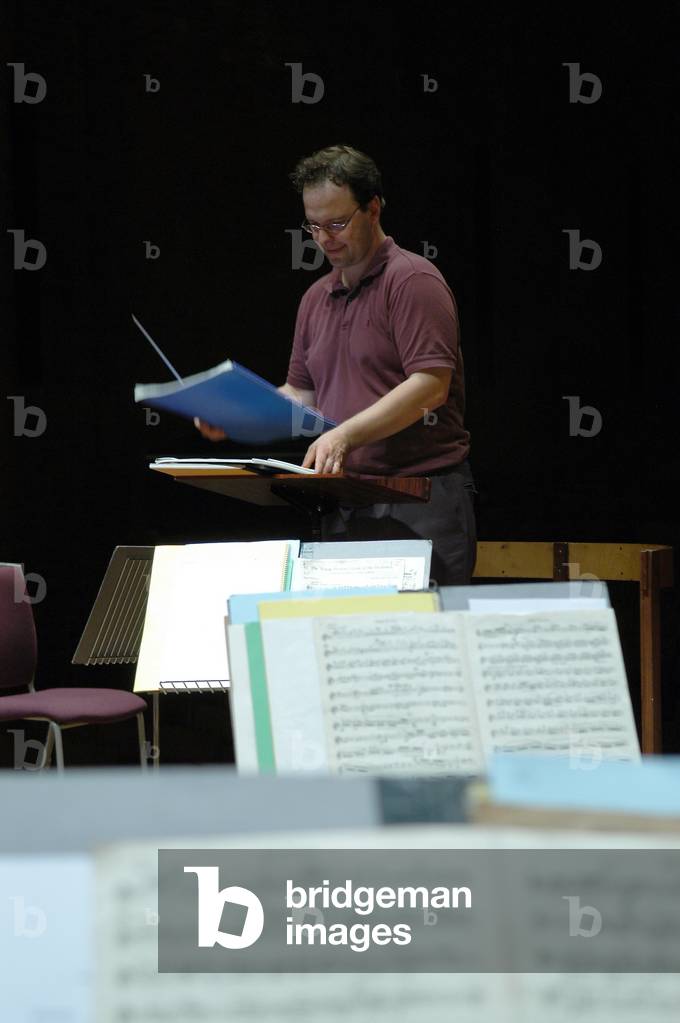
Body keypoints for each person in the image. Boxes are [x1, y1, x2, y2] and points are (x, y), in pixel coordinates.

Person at [196, 144, 476, 584]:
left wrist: (345, 434)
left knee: (420, 629)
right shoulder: (315, 298)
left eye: (337, 224)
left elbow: (430, 385)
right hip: (343, 499)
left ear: (373, 209)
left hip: (419, 498)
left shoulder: (412, 281)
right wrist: (238, 414)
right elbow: (302, 393)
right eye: (314, 226)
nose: (325, 238)